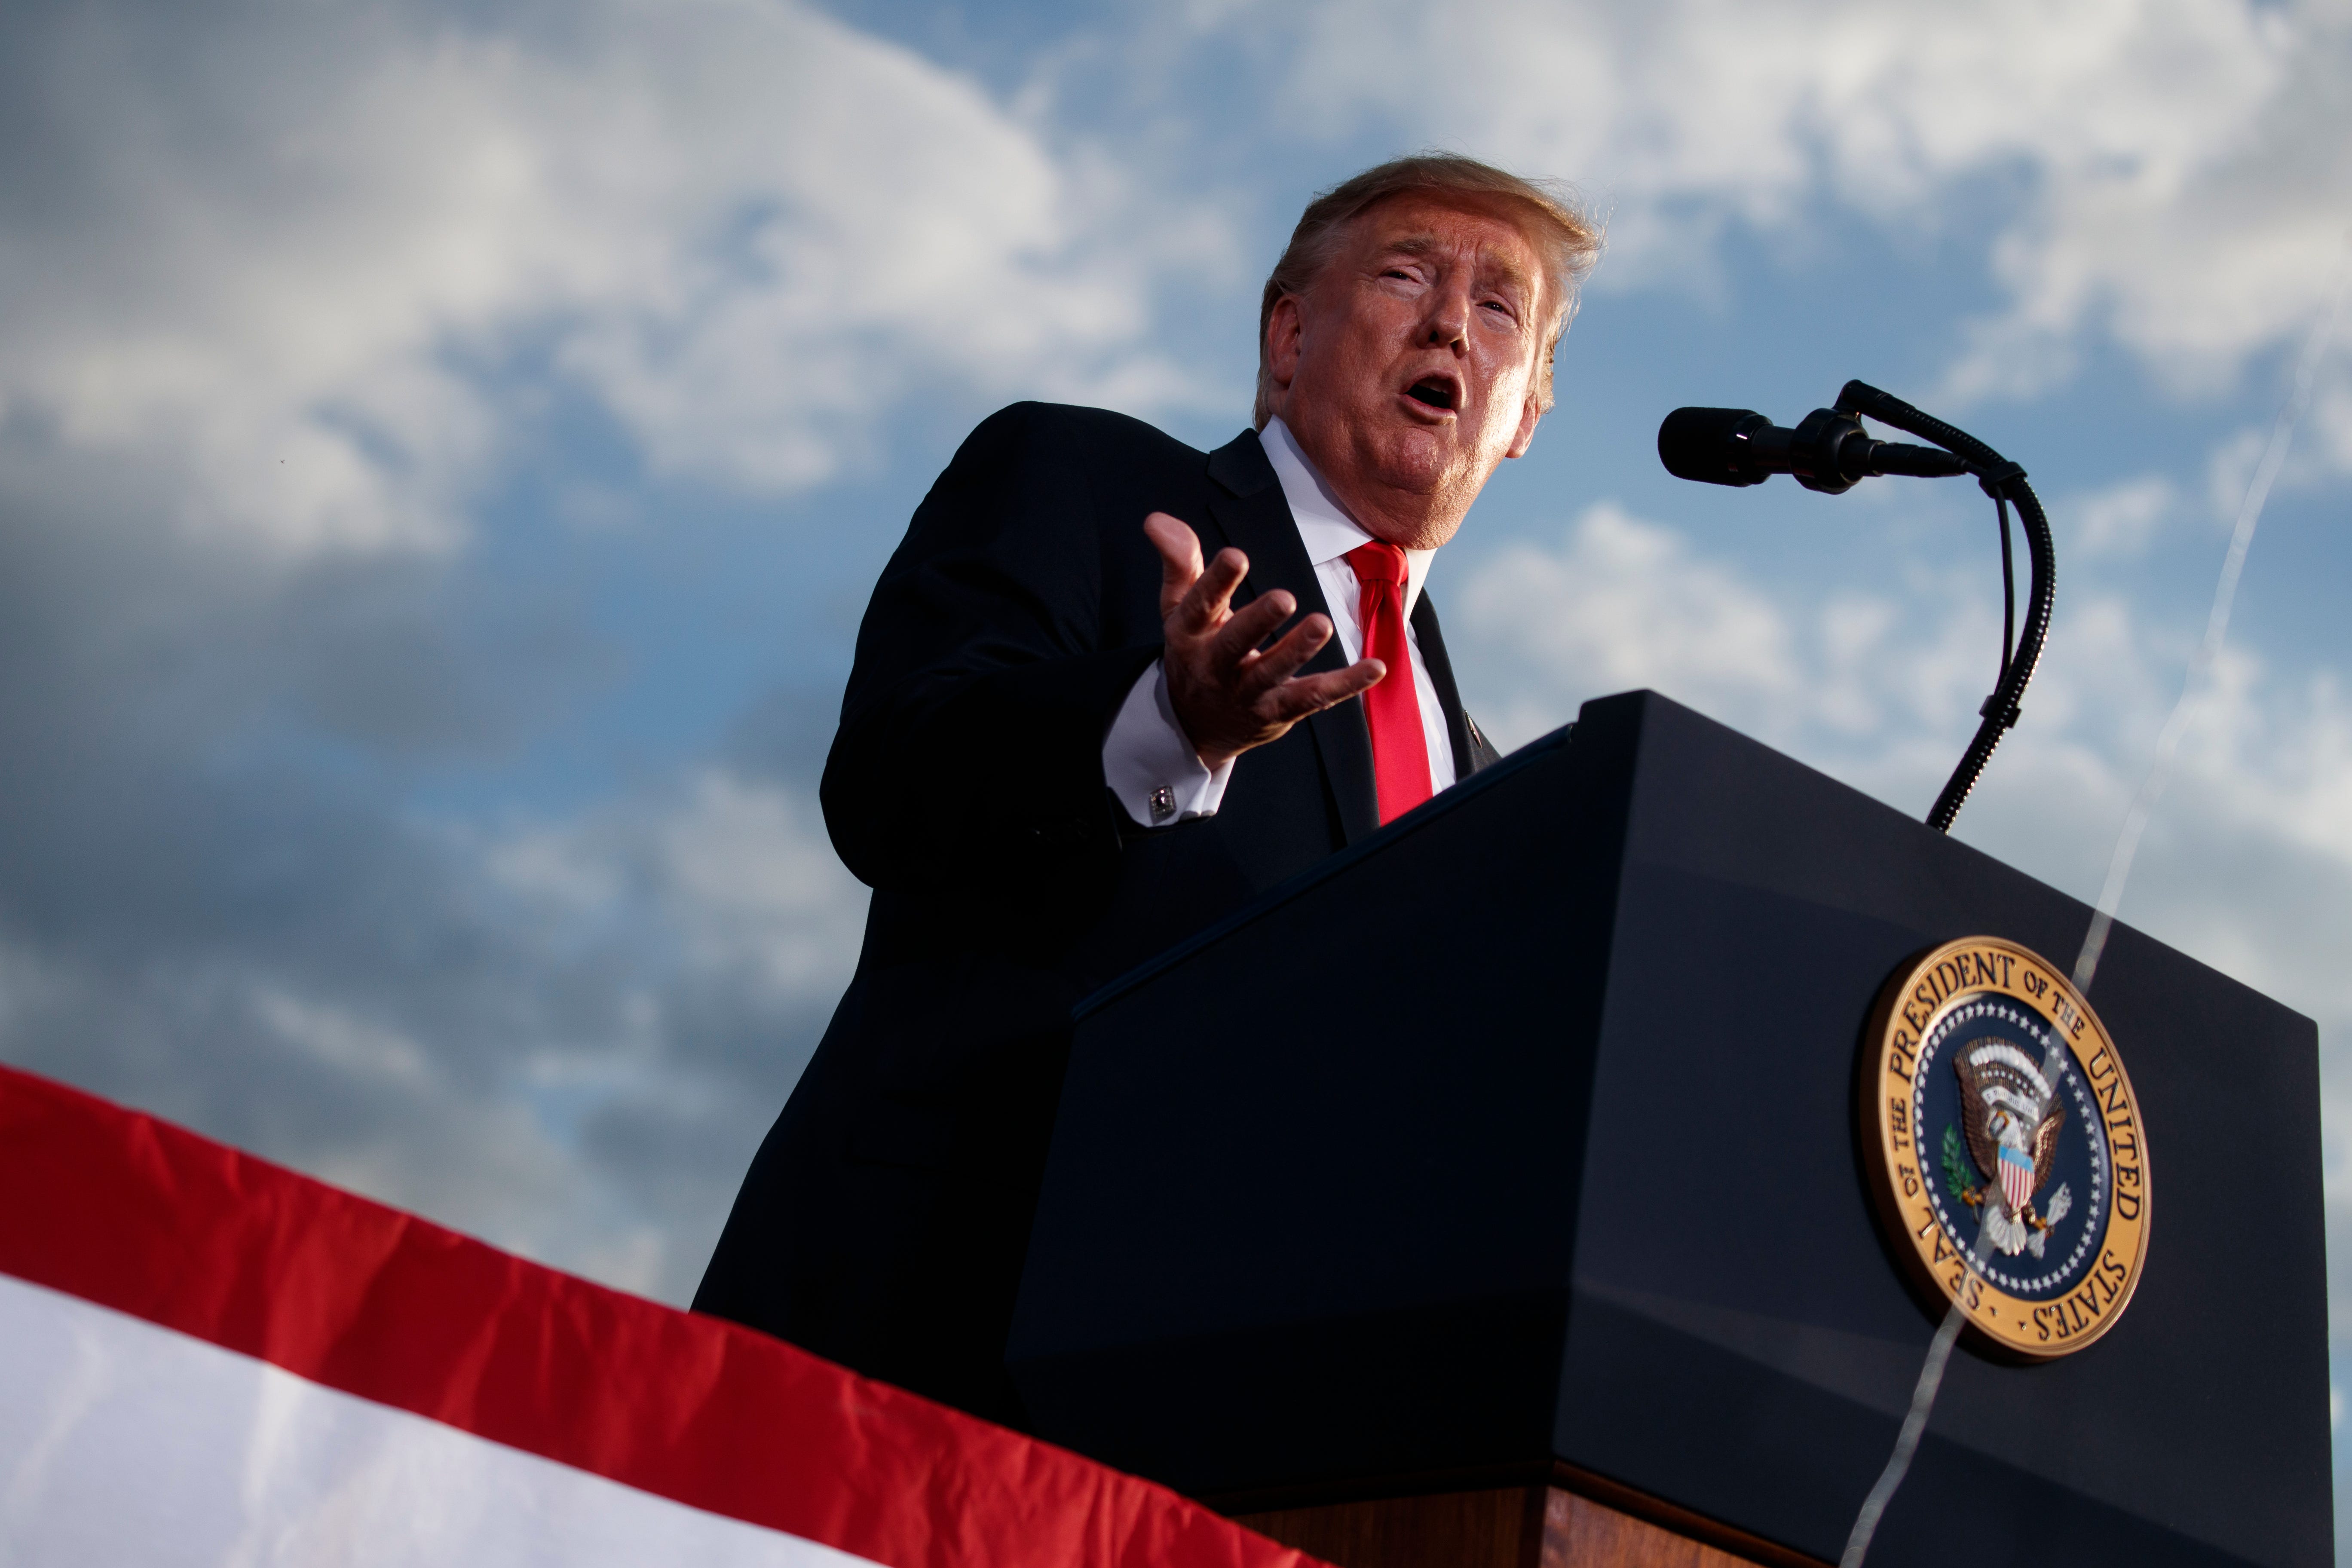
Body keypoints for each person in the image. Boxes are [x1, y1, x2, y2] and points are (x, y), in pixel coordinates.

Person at [694, 154, 1601, 1424]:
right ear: (1288, 337)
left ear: (1525, 416)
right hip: (937, 1331)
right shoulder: (1084, 481)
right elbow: (894, 780)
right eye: (1407, 276)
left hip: (1265, 1419)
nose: (1453, 322)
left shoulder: (1492, 792)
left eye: (1499, 307)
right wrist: (1166, 722)